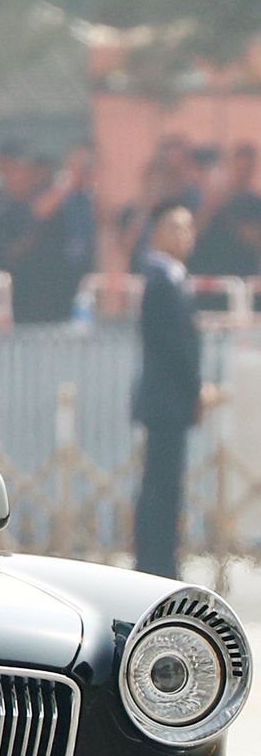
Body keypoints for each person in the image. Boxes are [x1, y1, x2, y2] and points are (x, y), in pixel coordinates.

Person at [132, 201, 217, 579]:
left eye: (189, 228)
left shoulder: (173, 278)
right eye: (176, 227)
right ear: (159, 233)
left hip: (169, 401)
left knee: (165, 485)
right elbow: (174, 348)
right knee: (161, 487)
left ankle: (160, 558)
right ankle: (156, 563)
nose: (185, 235)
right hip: (167, 400)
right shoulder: (162, 281)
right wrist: (196, 388)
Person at [0, 143, 98, 323]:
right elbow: (37, 213)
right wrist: (71, 179)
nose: (25, 177)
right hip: (20, 294)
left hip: (56, 292)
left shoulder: (56, 201)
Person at [191, 143, 261, 277]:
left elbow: (255, 240)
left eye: (246, 169)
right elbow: (195, 231)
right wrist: (212, 206)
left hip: (243, 274)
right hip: (208, 270)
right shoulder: (209, 198)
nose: (241, 173)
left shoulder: (255, 203)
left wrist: (233, 218)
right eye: (238, 168)